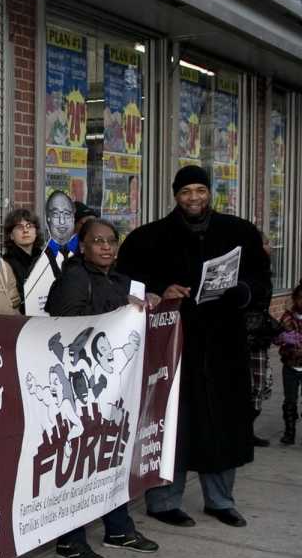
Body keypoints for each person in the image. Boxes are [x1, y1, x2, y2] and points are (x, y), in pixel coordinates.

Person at [116, 165, 271, 528]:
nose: (194, 198)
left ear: (209, 192)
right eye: (186, 192)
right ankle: (164, 500)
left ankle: (220, 500)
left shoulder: (239, 232)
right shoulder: (148, 237)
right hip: (172, 342)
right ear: (175, 196)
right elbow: (127, 283)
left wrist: (241, 291)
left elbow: (261, 279)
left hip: (223, 344)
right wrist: (160, 290)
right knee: (172, 420)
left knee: (222, 421)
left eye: (200, 190)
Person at [44, 218, 159, 558]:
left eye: (111, 241)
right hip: (82, 387)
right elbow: (66, 323)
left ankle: (119, 528)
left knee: (112, 456)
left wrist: (148, 301)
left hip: (115, 386)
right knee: (82, 460)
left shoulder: (123, 279)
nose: (106, 246)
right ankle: (70, 538)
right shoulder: (73, 279)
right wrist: (120, 310)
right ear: (82, 246)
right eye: (98, 241)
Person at [246, 231, 279, 447]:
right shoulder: (248, 272)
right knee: (253, 383)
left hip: (259, 336)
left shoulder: (264, 271)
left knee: (260, 383)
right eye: (266, 243)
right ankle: (242, 431)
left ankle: (247, 431)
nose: (270, 247)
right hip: (246, 336)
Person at [24, 190, 78, 315]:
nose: (62, 221)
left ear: (73, 217)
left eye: (66, 214)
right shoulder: (38, 263)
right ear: (48, 218)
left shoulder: (85, 257)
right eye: (55, 214)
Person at [275, 282, 302, 445]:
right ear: (295, 299)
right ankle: (289, 431)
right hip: (290, 365)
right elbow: (277, 337)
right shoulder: (287, 317)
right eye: (300, 299)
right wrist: (284, 338)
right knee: (290, 400)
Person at [2, 207, 43, 312]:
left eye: (29, 226)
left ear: (36, 231)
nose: (25, 230)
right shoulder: (5, 263)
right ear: (11, 235)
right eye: (20, 227)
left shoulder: (45, 259)